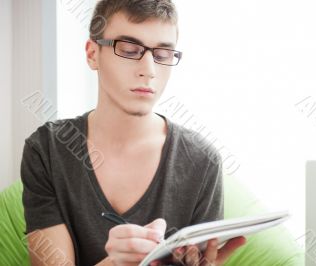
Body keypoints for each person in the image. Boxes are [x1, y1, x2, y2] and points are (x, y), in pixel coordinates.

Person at [21, 0, 246, 265]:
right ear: (93, 54)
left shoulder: (202, 160)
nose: (149, 71)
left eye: (162, 55)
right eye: (129, 50)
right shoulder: (47, 149)